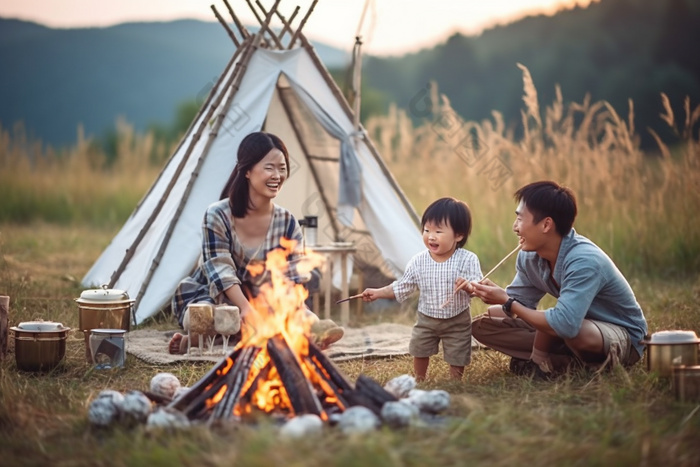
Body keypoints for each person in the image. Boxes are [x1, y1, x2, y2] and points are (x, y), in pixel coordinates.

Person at [168, 131, 343, 354]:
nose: (277, 175)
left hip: (264, 299)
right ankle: (195, 338)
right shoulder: (217, 215)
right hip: (216, 295)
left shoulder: (287, 222)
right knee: (208, 316)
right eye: (270, 167)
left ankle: (309, 331)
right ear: (247, 171)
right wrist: (244, 308)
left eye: (282, 168)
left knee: (300, 316)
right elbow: (220, 269)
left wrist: (295, 309)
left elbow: (293, 277)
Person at [470, 181, 648, 377]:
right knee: (484, 324)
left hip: (618, 336)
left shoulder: (585, 261)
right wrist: (489, 294)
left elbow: (564, 324)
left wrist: (508, 301)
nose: (515, 227)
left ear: (546, 224)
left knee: (575, 332)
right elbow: (519, 305)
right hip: (569, 326)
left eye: (520, 219)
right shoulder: (529, 255)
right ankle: (564, 362)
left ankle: (555, 363)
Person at [361, 197, 482, 381]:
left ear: (458, 235)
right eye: (426, 230)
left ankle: (455, 380)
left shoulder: (467, 259)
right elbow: (403, 287)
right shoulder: (419, 261)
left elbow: (477, 285)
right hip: (427, 318)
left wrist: (469, 287)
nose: (430, 236)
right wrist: (378, 293)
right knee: (419, 348)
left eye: (438, 231)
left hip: (457, 317)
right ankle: (419, 378)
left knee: (458, 350)